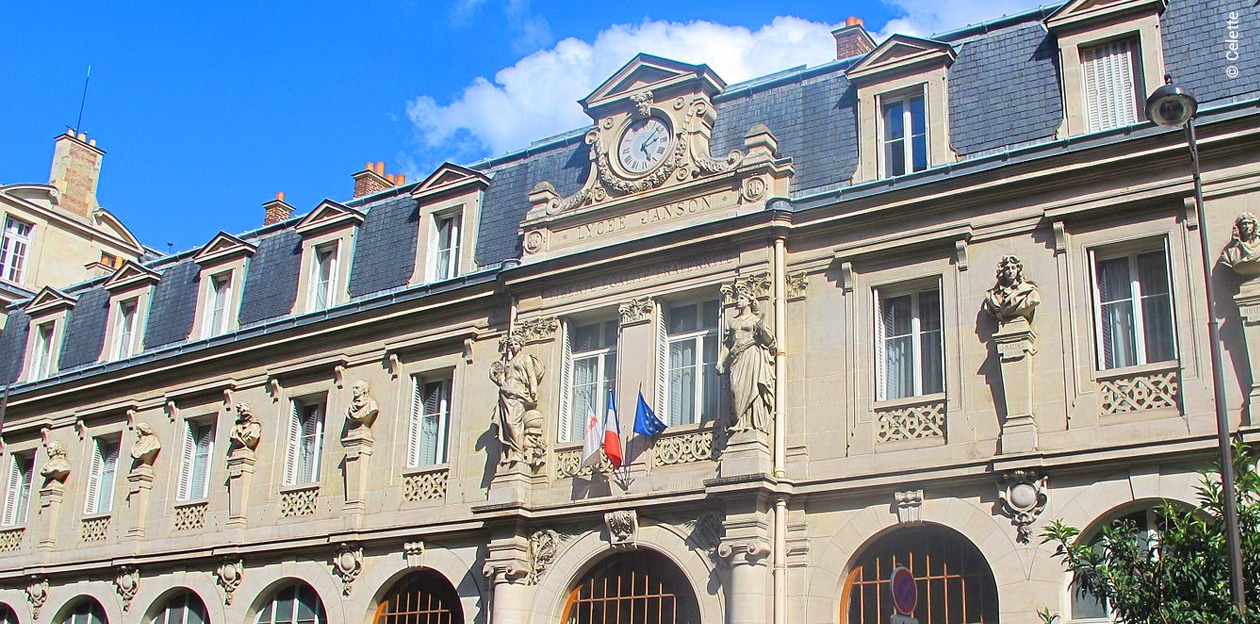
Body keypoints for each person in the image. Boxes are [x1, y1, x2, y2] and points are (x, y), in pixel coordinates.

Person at [717, 289, 776, 434]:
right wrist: (720, 361)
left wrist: (763, 330)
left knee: (751, 388)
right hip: (737, 358)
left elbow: (770, 341)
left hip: (751, 355)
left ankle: (749, 422)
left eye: (742, 298)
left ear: (749, 301)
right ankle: (739, 420)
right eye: (738, 298)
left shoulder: (755, 320)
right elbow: (728, 344)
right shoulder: (733, 321)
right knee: (735, 388)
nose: (738, 301)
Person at [490, 334, 544, 466]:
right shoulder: (509, 362)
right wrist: (495, 377)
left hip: (518, 393)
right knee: (506, 424)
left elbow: (531, 375)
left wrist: (533, 390)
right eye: (512, 345)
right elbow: (502, 379)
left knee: (513, 423)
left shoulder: (525, 359)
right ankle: (511, 453)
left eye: (516, 344)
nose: (513, 347)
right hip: (506, 393)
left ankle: (518, 452)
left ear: (521, 345)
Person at [983, 255, 1040, 323]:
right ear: (1002, 272)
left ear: (1018, 270)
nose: (1010, 271)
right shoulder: (992, 295)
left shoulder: (1029, 291)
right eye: (1007, 269)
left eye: (1013, 268)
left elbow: (1034, 301)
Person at [1221, 212, 1260, 277]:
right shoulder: (1230, 251)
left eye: (1249, 223)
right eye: (1244, 224)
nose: (1247, 226)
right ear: (1239, 227)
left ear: (1254, 225)